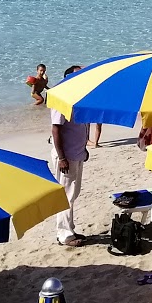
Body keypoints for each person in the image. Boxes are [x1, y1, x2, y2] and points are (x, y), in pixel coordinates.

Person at [50, 69, 89, 248]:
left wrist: (84, 148)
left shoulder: (79, 100)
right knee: (67, 195)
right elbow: (56, 129)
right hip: (66, 156)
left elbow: (81, 126)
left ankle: (69, 228)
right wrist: (62, 157)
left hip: (77, 153)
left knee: (74, 193)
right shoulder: (62, 99)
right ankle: (64, 234)